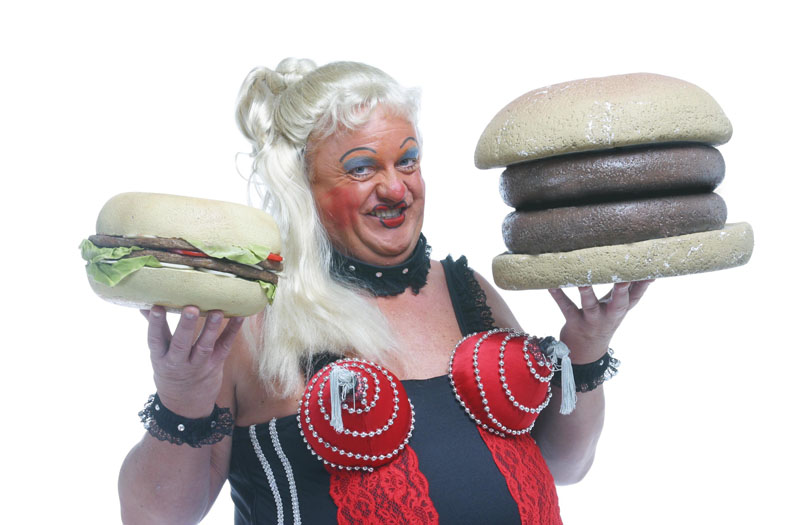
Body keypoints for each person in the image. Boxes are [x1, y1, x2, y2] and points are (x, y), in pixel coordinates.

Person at [118, 58, 651, 524]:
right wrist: (181, 400)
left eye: (408, 160)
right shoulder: (253, 320)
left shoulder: (469, 292)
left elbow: (566, 465)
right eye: (362, 168)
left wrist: (586, 349)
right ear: (303, 187)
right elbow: (154, 517)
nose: (396, 188)